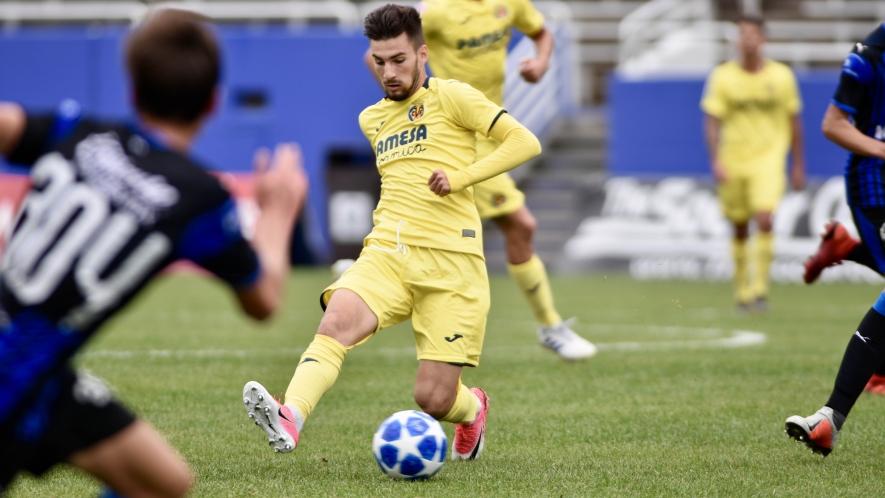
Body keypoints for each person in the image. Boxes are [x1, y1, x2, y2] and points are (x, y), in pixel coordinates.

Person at [0, 9, 307, 497]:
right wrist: (278, 211)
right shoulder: (199, 198)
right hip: (17, 377)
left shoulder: (78, 132)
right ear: (213, 102)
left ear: (133, 89)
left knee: (164, 482)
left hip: (42, 371)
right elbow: (264, 300)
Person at [242, 5, 540, 461]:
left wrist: (461, 178)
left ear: (423, 54)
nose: (389, 71)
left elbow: (525, 141)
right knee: (335, 321)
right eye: (379, 61)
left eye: (399, 59)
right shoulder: (372, 119)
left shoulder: (454, 96)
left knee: (433, 400)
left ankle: (473, 407)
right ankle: (291, 416)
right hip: (386, 253)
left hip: (452, 265)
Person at [357, 0, 595, 360]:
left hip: (488, 130)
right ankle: (550, 326)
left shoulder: (509, 4)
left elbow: (542, 33)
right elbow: (382, 54)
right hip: (452, 133)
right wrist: (406, 106)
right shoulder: (436, 11)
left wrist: (542, 61)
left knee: (512, 228)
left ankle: (376, 267)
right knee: (519, 225)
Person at [786, 23, 885, 456]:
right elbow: (832, 124)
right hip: (874, 187)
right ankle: (834, 412)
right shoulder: (867, 58)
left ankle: (831, 417)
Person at [701, 15, 805, 312]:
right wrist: (716, 160)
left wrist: (798, 165)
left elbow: (794, 121)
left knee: (764, 217)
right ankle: (741, 291)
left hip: (769, 159)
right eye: (742, 34)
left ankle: (759, 289)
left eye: (752, 34)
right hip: (733, 160)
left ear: (762, 39)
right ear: (736, 40)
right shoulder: (722, 77)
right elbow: (711, 122)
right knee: (739, 226)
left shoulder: (782, 76)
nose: (746, 39)